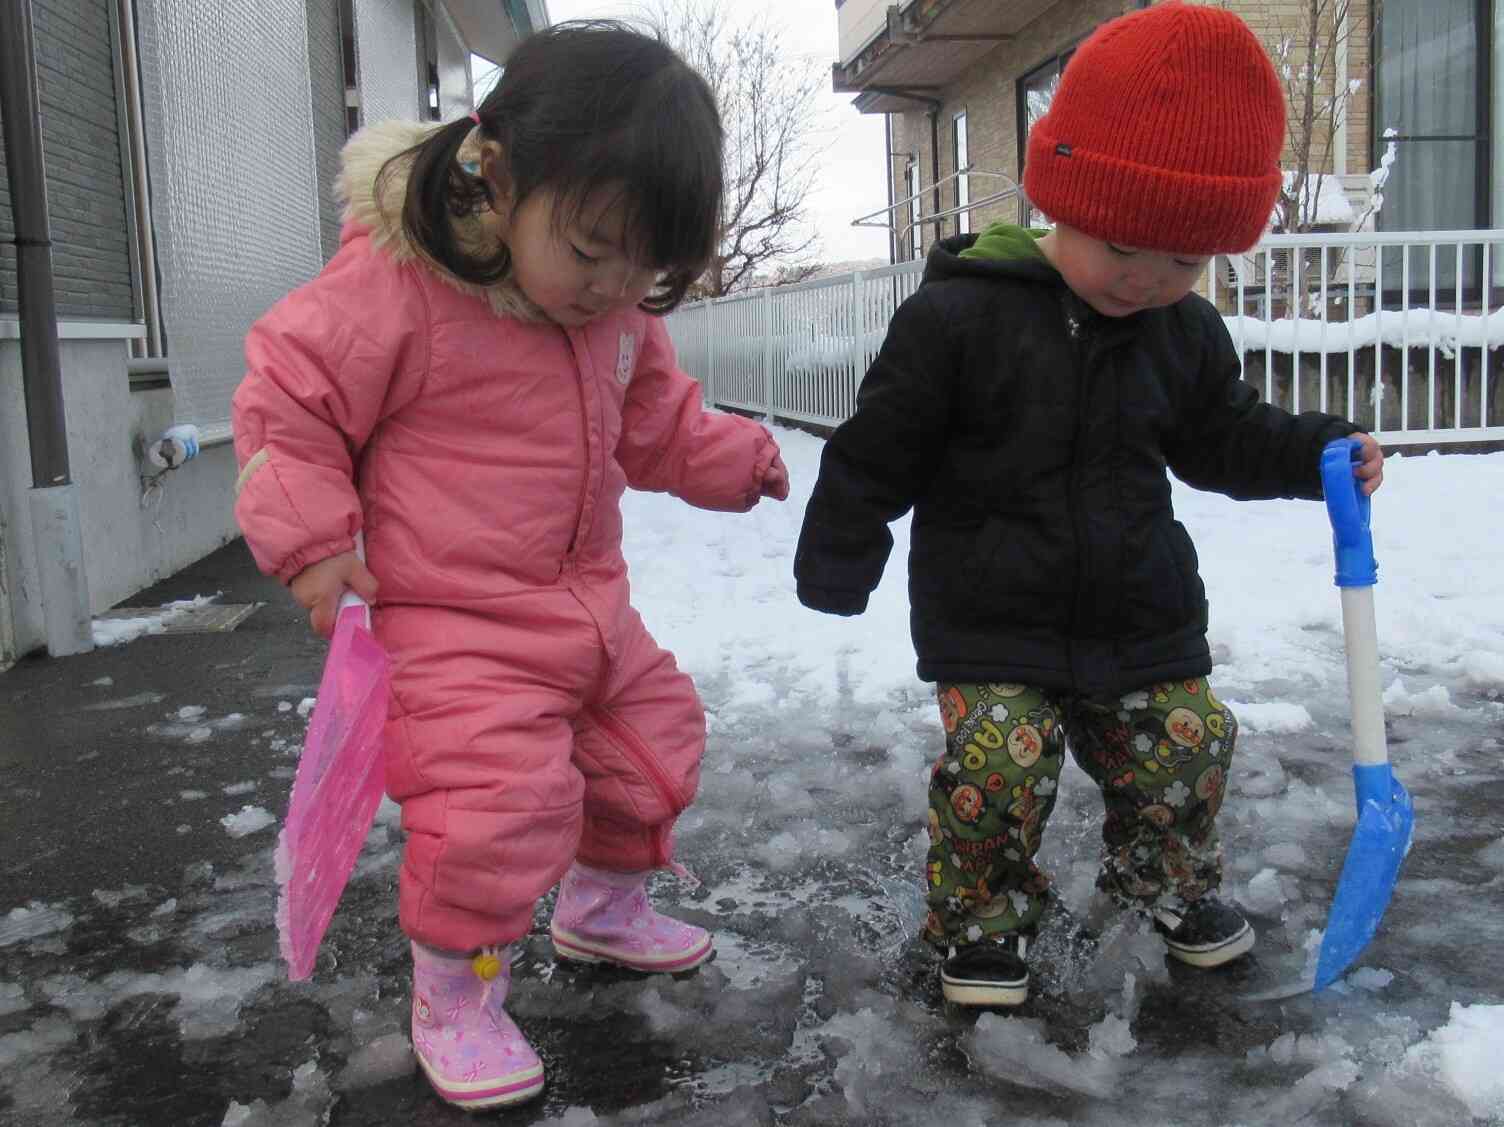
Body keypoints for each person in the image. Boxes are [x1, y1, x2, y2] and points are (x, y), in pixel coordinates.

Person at [232, 22, 789, 1109]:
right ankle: (456, 990)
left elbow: (656, 419)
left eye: (644, 267)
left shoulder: (615, 311)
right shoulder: (395, 291)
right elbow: (287, 406)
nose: (611, 286)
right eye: (589, 251)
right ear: (495, 173)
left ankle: (601, 910)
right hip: (446, 620)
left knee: (651, 743)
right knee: (495, 809)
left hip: (583, 609)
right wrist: (313, 543)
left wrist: (733, 457)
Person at [792, 1, 1384, 1009]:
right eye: (1122, 246)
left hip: (1137, 614)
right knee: (998, 763)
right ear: (1062, 199)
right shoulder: (958, 318)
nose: (1146, 278)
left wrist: (1313, 447)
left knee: (1189, 740)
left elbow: (1219, 434)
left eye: (1182, 262)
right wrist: (839, 555)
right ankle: (980, 921)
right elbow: (877, 449)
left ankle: (1162, 883)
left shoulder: (1181, 331)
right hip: (993, 621)